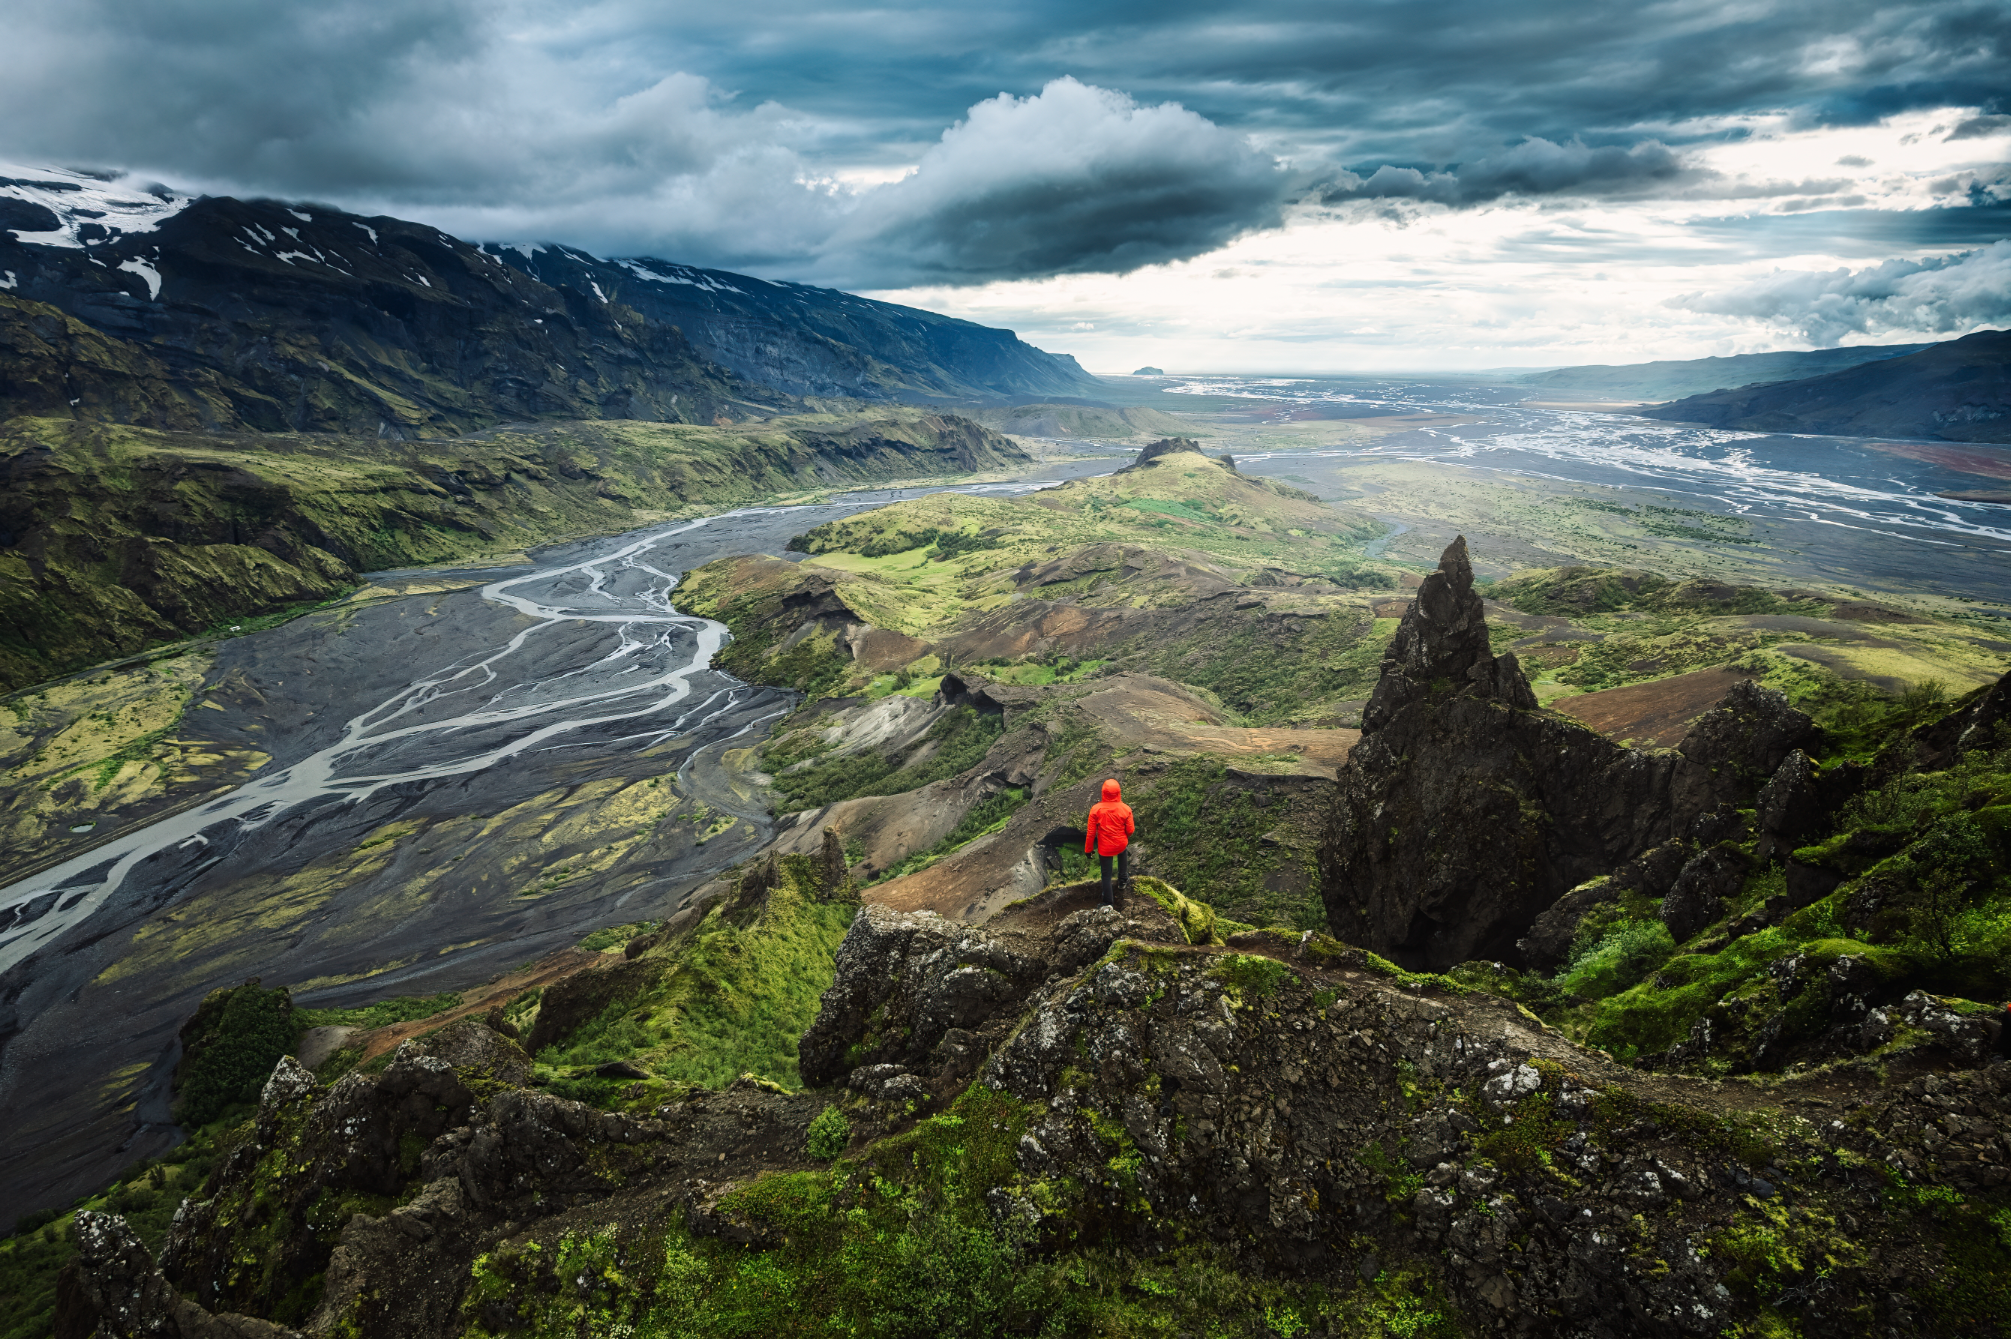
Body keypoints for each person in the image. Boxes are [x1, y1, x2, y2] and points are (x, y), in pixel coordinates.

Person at [1084, 778, 1135, 907]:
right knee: (1123, 851)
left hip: (1105, 847)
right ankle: (1123, 881)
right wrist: (1123, 837)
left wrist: (1088, 850)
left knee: (1106, 875)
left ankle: (1108, 902)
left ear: (1103, 793)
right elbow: (1130, 830)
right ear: (1118, 792)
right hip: (1121, 843)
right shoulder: (1125, 809)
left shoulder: (1096, 810)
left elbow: (1091, 833)